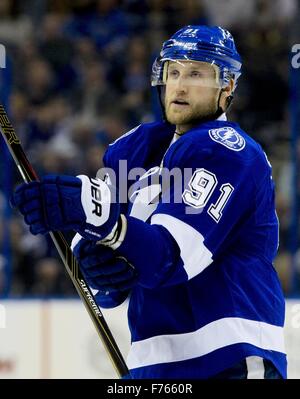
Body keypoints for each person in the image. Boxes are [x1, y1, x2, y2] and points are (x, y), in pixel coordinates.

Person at [12, 25, 287, 379]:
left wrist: (104, 224)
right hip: (153, 365)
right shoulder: (137, 150)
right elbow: (104, 280)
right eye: (174, 72)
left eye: (197, 73)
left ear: (227, 86)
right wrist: (99, 263)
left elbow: (170, 259)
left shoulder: (227, 150)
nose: (181, 85)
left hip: (226, 358)